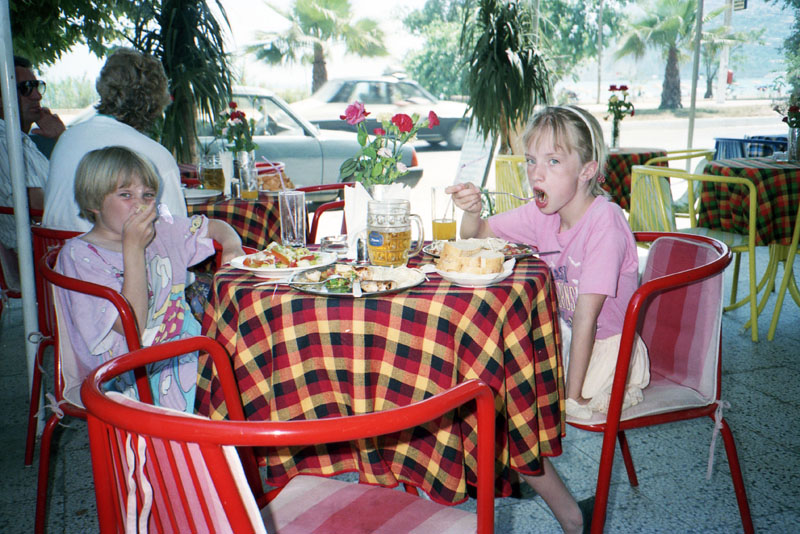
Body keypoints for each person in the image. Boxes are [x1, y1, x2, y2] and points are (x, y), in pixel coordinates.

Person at [446, 105, 650, 533]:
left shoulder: (605, 222)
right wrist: (471, 208)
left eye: (553, 161)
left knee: (503, 408)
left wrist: (571, 397)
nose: (536, 174)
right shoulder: (543, 214)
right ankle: (523, 471)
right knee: (483, 381)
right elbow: (474, 235)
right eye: (531, 160)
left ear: (587, 170)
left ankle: (565, 510)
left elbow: (589, 319)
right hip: (569, 342)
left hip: (609, 354)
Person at [54, 146, 244, 412]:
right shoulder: (79, 256)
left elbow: (214, 226)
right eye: (125, 194)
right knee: (228, 385)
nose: (140, 204)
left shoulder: (162, 230)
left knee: (251, 364)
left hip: (186, 351)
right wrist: (133, 249)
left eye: (148, 195)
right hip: (126, 375)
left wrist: (232, 245)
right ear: (94, 202)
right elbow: (132, 326)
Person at [44, 48, 187, 232]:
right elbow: (177, 232)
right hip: (112, 249)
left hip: (53, 248)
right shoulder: (154, 155)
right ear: (157, 100)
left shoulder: (67, 138)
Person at [0, 56, 65, 251]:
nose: (37, 96)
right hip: (39, 257)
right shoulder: (8, 144)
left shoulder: (20, 140)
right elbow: (43, 210)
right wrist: (64, 140)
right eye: (26, 88)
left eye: (37, 86)